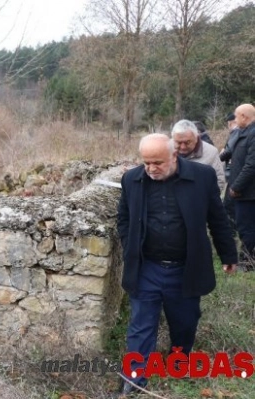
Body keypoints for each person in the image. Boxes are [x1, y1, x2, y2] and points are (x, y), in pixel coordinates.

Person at [116, 133, 237, 395]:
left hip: (186, 267)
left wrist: (228, 255)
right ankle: (135, 378)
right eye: (146, 162)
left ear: (174, 155)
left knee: (184, 322)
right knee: (141, 324)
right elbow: (123, 218)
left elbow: (218, 218)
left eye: (157, 162)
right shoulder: (131, 179)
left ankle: (177, 360)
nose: (151, 168)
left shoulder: (202, 177)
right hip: (146, 267)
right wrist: (130, 248)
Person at [227, 103, 255, 271]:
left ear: (244, 116)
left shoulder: (253, 134)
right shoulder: (242, 133)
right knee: (244, 226)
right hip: (244, 191)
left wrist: (236, 186)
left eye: (236, 116)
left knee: (247, 227)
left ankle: (247, 263)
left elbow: (251, 165)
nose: (235, 119)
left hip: (248, 192)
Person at [171, 119, 226, 192]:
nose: (183, 147)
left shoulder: (211, 152)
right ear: (173, 139)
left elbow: (219, 180)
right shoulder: (165, 150)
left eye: (187, 142)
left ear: (196, 138)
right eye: (179, 143)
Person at [220, 113, 241, 231]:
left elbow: (228, 151)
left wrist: (217, 158)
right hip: (241, 173)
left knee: (229, 204)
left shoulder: (236, 132)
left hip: (236, 174)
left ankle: (231, 230)